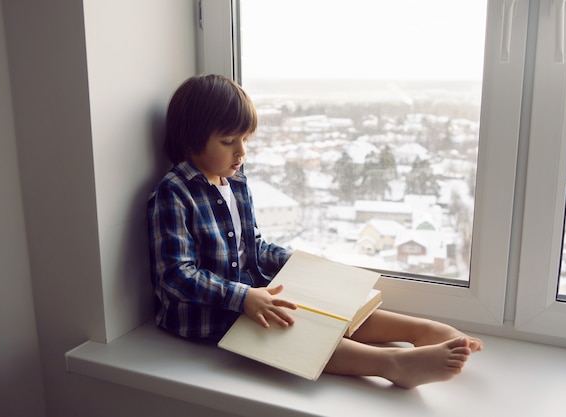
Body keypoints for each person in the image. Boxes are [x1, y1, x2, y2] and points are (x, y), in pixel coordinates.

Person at [147, 74, 483, 389]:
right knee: (301, 330)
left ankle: (419, 330)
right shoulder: (174, 192)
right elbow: (175, 275)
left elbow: (253, 246)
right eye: (228, 141)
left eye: (245, 139)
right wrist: (243, 297)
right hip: (210, 314)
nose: (242, 152)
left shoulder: (233, 181)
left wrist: (302, 265)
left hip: (251, 293)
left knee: (326, 302)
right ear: (191, 140)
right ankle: (391, 364)